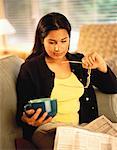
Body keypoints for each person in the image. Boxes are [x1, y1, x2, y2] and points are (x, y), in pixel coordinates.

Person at [16, 12, 117, 149]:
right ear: (42, 40)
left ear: (69, 38)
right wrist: (26, 119)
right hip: (49, 131)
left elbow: (112, 88)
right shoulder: (31, 68)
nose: (58, 48)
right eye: (52, 42)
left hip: (81, 128)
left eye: (63, 41)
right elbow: (21, 111)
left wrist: (102, 66)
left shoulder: (79, 62)